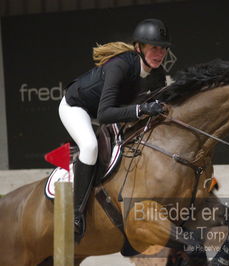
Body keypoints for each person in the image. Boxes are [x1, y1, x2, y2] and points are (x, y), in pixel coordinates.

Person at [58, 18, 171, 241]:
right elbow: (105, 115)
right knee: (90, 147)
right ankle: (76, 215)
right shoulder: (120, 65)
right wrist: (142, 109)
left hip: (109, 109)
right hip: (77, 107)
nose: (160, 53)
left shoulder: (158, 73)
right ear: (139, 47)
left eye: (163, 48)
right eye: (154, 47)